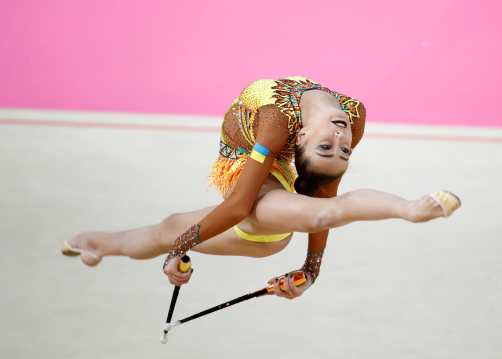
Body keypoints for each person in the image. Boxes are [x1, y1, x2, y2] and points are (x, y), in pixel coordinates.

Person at [62, 76, 461, 299]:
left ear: (301, 139)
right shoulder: (324, 116)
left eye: (337, 149)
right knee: (166, 229)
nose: (342, 139)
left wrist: (311, 269)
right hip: (257, 209)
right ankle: (98, 243)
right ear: (299, 137)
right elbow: (238, 205)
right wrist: (176, 247)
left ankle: (409, 209)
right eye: (335, 148)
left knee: (320, 211)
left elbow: (325, 197)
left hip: (265, 207)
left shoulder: (314, 120)